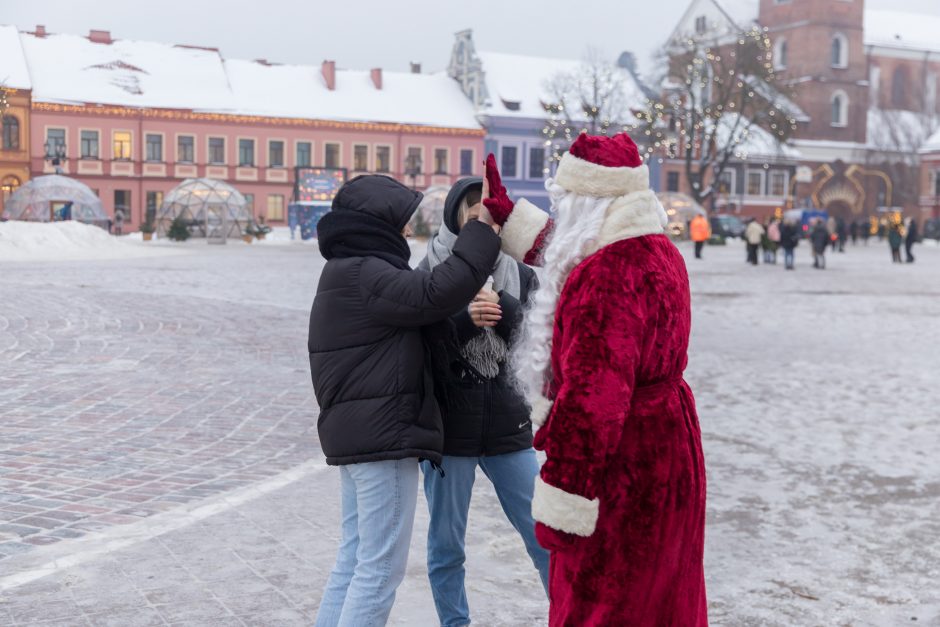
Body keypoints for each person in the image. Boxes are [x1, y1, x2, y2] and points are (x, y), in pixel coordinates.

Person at [481, 132, 708, 626]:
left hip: (623, 470)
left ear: (588, 202)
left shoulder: (606, 276)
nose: (559, 210)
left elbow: (593, 405)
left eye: (566, 201)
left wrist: (564, 498)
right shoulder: (657, 250)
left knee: (604, 603)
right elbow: (568, 249)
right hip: (671, 449)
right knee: (663, 600)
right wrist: (511, 218)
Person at [308, 174, 500, 626]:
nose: (406, 234)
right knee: (378, 571)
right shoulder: (366, 271)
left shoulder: (346, 269)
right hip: (383, 435)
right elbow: (435, 292)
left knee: (354, 560)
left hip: (361, 435)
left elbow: (421, 312)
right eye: (400, 224)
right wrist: (480, 229)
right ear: (377, 225)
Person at [417, 178, 548, 626]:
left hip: (508, 426)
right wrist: (465, 319)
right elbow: (420, 347)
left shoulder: (522, 273)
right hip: (450, 430)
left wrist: (506, 310)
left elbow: (539, 346)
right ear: (455, 214)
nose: (480, 221)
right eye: (471, 213)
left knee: (543, 535)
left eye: (488, 214)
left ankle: (568, 615)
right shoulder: (430, 272)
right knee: (447, 544)